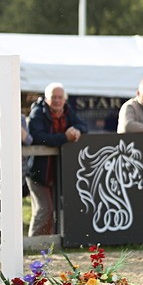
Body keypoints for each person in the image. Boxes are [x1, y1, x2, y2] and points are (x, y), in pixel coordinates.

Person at [26, 83, 87, 237]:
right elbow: (38, 137)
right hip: (39, 172)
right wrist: (64, 138)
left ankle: (49, 244)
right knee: (43, 209)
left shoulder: (68, 111)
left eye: (60, 97)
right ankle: (34, 243)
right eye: (54, 97)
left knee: (55, 210)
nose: (57, 100)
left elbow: (83, 125)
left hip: (59, 171)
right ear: (46, 99)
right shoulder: (37, 113)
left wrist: (77, 130)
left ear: (65, 100)